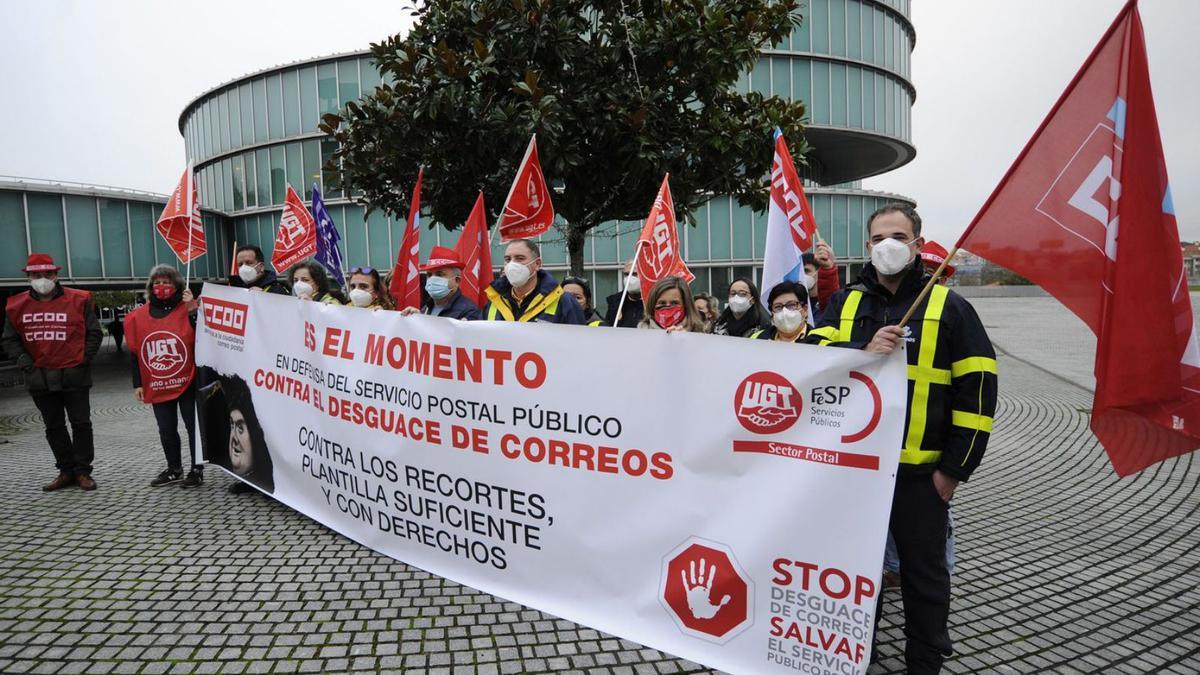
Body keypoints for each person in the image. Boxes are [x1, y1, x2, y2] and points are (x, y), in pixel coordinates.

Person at [807, 204, 997, 673]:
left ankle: (925, 661)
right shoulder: (845, 302)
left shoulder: (950, 307)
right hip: (853, 474)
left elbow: (978, 393)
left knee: (925, 579)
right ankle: (856, 656)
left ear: (916, 244)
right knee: (853, 575)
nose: (887, 245)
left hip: (920, 476)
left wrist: (952, 473)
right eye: (878, 238)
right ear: (867, 247)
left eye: (898, 235)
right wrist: (861, 349)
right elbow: (811, 354)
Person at [2, 254, 103, 491]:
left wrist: (82, 360)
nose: (43, 279)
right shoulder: (16, 305)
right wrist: (26, 363)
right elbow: (10, 340)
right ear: (28, 277)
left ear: (56, 275)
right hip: (40, 376)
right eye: (36, 275)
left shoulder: (78, 300)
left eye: (48, 275)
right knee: (53, 426)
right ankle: (66, 470)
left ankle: (83, 472)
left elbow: (94, 333)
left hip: (74, 375)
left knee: (81, 424)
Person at [124, 265, 204, 488]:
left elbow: (204, 337)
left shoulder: (189, 308)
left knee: (192, 426)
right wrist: (137, 383)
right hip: (158, 382)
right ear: (150, 287)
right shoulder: (138, 317)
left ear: (177, 284)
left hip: (188, 379)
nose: (162, 286)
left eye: (166, 282)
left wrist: (192, 309)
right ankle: (174, 468)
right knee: (166, 428)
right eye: (157, 283)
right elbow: (135, 352)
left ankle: (197, 469)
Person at [481, 239, 585, 324]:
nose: (512, 264)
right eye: (508, 259)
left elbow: (577, 343)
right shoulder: (494, 302)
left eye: (520, 258)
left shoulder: (564, 303)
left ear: (537, 264)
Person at [399, 246, 481, 320]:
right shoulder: (426, 307)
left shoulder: (469, 312)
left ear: (457, 281)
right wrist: (419, 319)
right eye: (429, 275)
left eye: (440, 274)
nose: (432, 279)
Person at [638, 277, 707, 333]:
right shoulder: (641, 332)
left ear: (686, 304)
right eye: (662, 303)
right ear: (653, 304)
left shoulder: (698, 332)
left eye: (674, 303)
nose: (668, 307)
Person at [803, 240, 840, 323]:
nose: (803, 275)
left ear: (818, 272)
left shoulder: (827, 302)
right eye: (801, 272)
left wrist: (828, 268)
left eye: (806, 271)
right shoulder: (799, 303)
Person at [603, 261, 644, 327]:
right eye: (626, 274)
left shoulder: (653, 302)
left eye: (634, 274)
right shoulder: (615, 303)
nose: (630, 278)